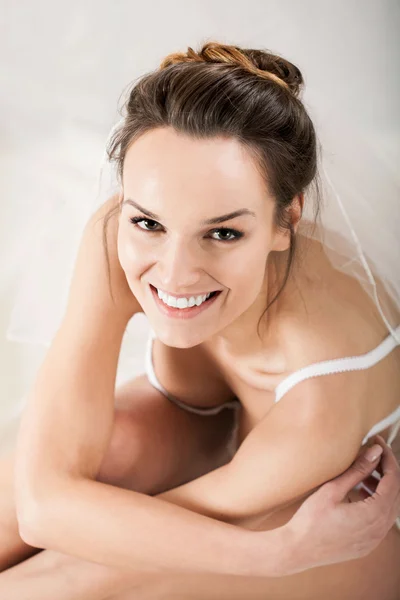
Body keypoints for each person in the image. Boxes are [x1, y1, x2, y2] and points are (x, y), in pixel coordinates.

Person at [6, 42, 400, 599]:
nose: (175, 273)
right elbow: (41, 503)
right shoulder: (115, 234)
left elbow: (63, 532)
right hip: (223, 445)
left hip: (324, 519)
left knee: (45, 589)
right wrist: (277, 555)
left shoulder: (318, 402)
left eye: (223, 233)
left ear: (286, 218)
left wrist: (287, 549)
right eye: (149, 222)